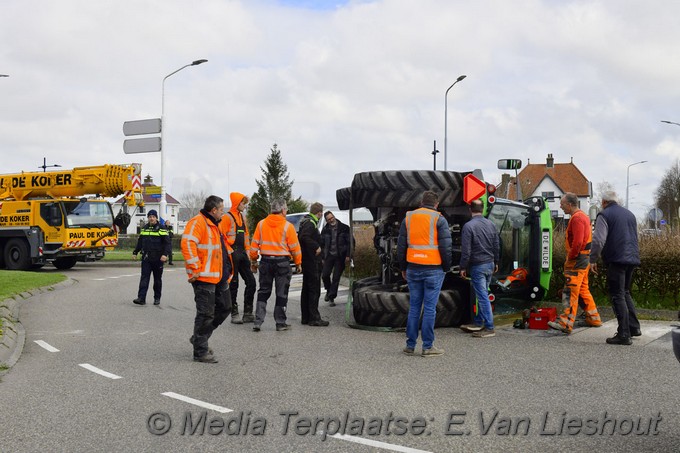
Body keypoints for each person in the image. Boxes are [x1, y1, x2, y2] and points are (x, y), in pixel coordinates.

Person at [396, 190, 452, 356]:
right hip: (433, 269)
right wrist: (446, 267)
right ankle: (428, 347)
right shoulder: (439, 219)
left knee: (414, 307)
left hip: (413, 267)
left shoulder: (409, 218)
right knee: (429, 309)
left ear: (421, 202)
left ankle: (410, 345)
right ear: (436, 204)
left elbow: (401, 247)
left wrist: (403, 267)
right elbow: (446, 247)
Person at [181, 195, 231, 363]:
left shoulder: (215, 225)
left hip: (219, 277)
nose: (223, 213)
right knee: (205, 315)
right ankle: (200, 351)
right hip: (204, 278)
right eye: (221, 210)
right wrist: (195, 269)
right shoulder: (198, 222)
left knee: (225, 308)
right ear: (214, 210)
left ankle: (198, 338)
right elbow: (187, 244)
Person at [590, 191, 642, 345]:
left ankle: (624, 334)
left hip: (616, 259)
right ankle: (633, 328)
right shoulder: (630, 214)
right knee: (625, 292)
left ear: (604, 202)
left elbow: (598, 240)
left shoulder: (604, 215)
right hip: (631, 259)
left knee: (617, 295)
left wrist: (592, 259)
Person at [548, 193, 602, 334]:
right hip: (584, 259)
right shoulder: (583, 216)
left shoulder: (576, 218)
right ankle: (594, 318)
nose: (560, 206)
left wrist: (570, 257)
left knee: (570, 291)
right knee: (583, 290)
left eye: (562, 204)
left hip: (577, 260)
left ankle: (566, 323)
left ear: (570, 204)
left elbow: (578, 242)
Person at [249, 198, 302, 332]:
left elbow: (254, 246)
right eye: (286, 209)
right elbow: (295, 248)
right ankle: (280, 323)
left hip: (265, 262)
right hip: (282, 263)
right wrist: (298, 263)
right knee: (281, 293)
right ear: (283, 210)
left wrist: (254, 261)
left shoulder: (261, 224)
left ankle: (257, 322)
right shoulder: (288, 226)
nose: (287, 211)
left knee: (263, 291)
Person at [459, 198, 500, 338]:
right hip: (489, 264)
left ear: (470, 210)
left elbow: (466, 251)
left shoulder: (469, 226)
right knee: (480, 294)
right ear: (482, 210)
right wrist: (496, 262)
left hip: (478, 266)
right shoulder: (491, 224)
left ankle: (489, 327)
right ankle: (478, 323)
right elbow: (496, 245)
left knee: (482, 296)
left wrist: (462, 267)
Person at [223, 192, 257, 324]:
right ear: (237, 203)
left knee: (251, 282)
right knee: (234, 284)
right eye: (243, 203)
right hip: (232, 253)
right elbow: (221, 237)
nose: (245, 206)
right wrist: (229, 251)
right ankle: (234, 313)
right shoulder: (227, 218)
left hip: (242, 253)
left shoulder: (243, 217)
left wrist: (248, 253)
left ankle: (248, 313)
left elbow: (246, 236)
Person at [299, 203, 329, 326]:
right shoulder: (311, 223)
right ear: (320, 212)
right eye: (321, 213)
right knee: (313, 290)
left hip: (306, 261)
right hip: (312, 262)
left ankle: (306, 317)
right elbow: (304, 237)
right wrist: (316, 246)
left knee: (306, 289)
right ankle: (314, 318)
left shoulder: (305, 221)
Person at [132, 209, 171, 306]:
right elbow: (140, 241)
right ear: (148, 218)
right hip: (146, 258)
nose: (151, 218)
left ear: (156, 218)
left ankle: (157, 298)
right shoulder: (144, 228)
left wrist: (165, 255)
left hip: (158, 258)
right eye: (150, 217)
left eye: (153, 217)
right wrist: (135, 252)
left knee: (157, 279)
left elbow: (167, 243)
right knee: (144, 278)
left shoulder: (162, 228)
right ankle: (141, 298)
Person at [321, 210, 352, 307]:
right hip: (329, 256)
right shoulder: (325, 230)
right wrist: (322, 257)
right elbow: (321, 244)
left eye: (332, 218)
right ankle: (328, 289)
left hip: (340, 256)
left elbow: (351, 243)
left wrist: (348, 255)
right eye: (329, 219)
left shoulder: (344, 228)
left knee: (336, 278)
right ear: (327, 221)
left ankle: (331, 297)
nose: (331, 220)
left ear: (334, 216)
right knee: (325, 275)